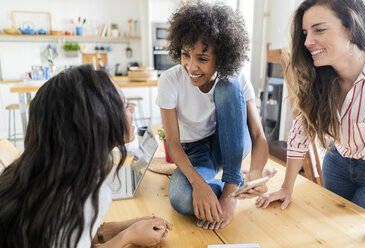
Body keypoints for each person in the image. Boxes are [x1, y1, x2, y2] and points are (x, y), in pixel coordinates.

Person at [0, 65, 172, 248]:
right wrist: (128, 236)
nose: (131, 110)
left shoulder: (39, 172)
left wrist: (122, 227)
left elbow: (66, 237)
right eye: (124, 105)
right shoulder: (82, 195)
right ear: (99, 121)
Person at [255, 0, 365, 243]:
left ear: (351, 28)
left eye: (319, 29)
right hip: (337, 162)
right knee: (326, 235)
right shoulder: (319, 75)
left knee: (355, 239)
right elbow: (302, 128)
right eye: (306, 33)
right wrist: (286, 188)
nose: (308, 42)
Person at [156, 1, 273, 231]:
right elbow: (173, 144)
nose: (191, 67)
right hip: (195, 152)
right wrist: (198, 184)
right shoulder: (170, 81)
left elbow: (258, 136)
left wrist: (256, 171)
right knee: (181, 199)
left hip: (231, 142)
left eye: (202, 58)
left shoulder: (236, 77)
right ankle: (236, 185)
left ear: (222, 57)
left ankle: (231, 188)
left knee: (227, 86)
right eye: (185, 55)